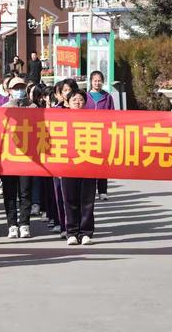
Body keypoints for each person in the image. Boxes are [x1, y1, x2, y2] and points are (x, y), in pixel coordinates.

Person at [1, 77, 35, 238]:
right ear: (9, 90)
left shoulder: (33, 107)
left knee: (25, 192)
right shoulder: (3, 109)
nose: (19, 90)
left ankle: (24, 223)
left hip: (27, 158)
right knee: (9, 193)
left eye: (21, 87)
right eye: (16, 88)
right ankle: (12, 224)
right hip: (8, 158)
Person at [62, 89, 97, 246]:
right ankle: (72, 232)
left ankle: (86, 232)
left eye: (81, 99)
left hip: (88, 164)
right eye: (74, 99)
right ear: (67, 103)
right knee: (70, 200)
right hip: (67, 165)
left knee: (87, 200)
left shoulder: (93, 120)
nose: (77, 102)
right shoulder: (60, 121)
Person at [85, 70, 115, 201]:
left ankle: (103, 190)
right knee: (89, 162)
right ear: (91, 81)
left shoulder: (107, 97)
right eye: (95, 80)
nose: (97, 83)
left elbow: (113, 115)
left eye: (99, 80)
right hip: (87, 134)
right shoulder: (85, 96)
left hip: (103, 135)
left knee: (103, 164)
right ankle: (90, 189)